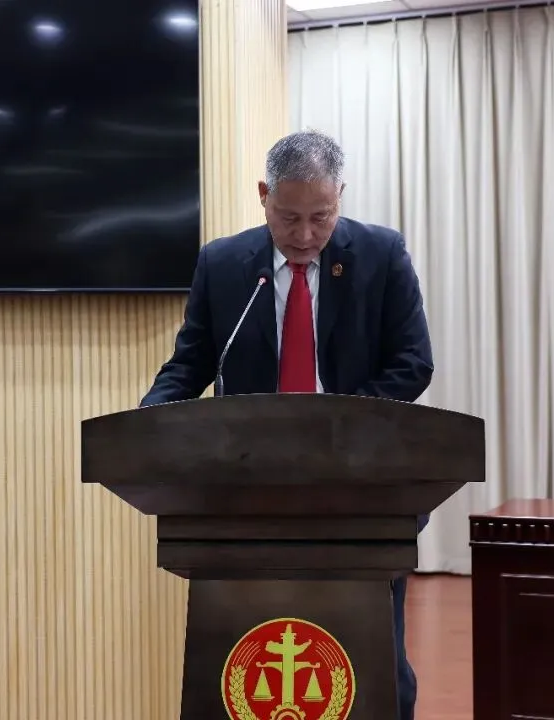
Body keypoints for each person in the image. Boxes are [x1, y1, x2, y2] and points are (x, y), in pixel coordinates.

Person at [139, 129, 433, 719]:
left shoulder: (381, 254)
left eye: (320, 217)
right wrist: (147, 421)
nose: (303, 236)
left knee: (376, 661)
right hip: (249, 492)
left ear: (339, 196)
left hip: (360, 490)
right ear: (263, 196)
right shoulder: (223, 264)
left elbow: (412, 362)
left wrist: (339, 424)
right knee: (242, 654)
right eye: (288, 217)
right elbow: (192, 363)